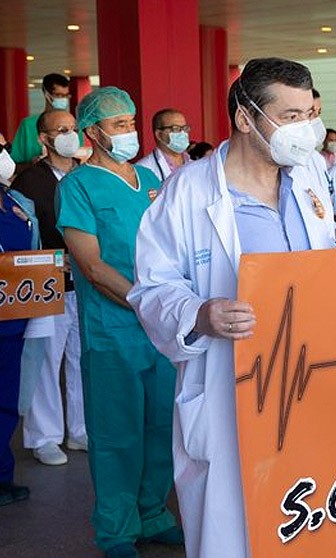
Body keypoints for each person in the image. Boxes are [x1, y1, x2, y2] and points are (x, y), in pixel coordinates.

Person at [126, 57, 336, 558]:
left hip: (312, 377)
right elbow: (152, 286)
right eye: (290, 117)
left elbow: (309, 253)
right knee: (235, 528)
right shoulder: (190, 190)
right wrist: (200, 314)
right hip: (232, 382)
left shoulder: (308, 174)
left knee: (310, 514)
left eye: (309, 113)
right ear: (246, 119)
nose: (307, 129)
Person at [57, 86, 181, 558]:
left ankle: (154, 513)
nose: (130, 131)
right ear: (93, 132)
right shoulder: (79, 185)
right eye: (119, 125)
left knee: (161, 427)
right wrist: (147, 301)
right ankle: (116, 529)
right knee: (117, 433)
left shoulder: (147, 179)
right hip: (115, 330)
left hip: (160, 329)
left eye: (132, 122)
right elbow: (90, 265)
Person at [11, 109, 85, 466]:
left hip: (87, 283)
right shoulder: (29, 181)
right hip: (48, 284)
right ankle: (45, 436)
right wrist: (55, 258)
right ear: (44, 138)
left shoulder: (86, 175)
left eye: (73, 129)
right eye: (61, 130)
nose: (70, 135)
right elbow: (23, 234)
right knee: (46, 362)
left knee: (82, 359)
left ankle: (82, 430)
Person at [0, 138, 40, 507]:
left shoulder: (13, 204)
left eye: (4, 147)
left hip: (12, 321)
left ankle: (3, 475)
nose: (4, 156)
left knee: (6, 400)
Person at [10, 73, 71, 168]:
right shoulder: (28, 125)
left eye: (66, 95)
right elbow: (13, 166)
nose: (63, 99)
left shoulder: (72, 125)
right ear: (46, 94)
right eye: (58, 95)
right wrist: (34, 164)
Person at [137, 109, 191, 182]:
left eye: (185, 128)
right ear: (159, 135)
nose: (183, 133)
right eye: (175, 129)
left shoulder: (194, 163)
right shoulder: (142, 169)